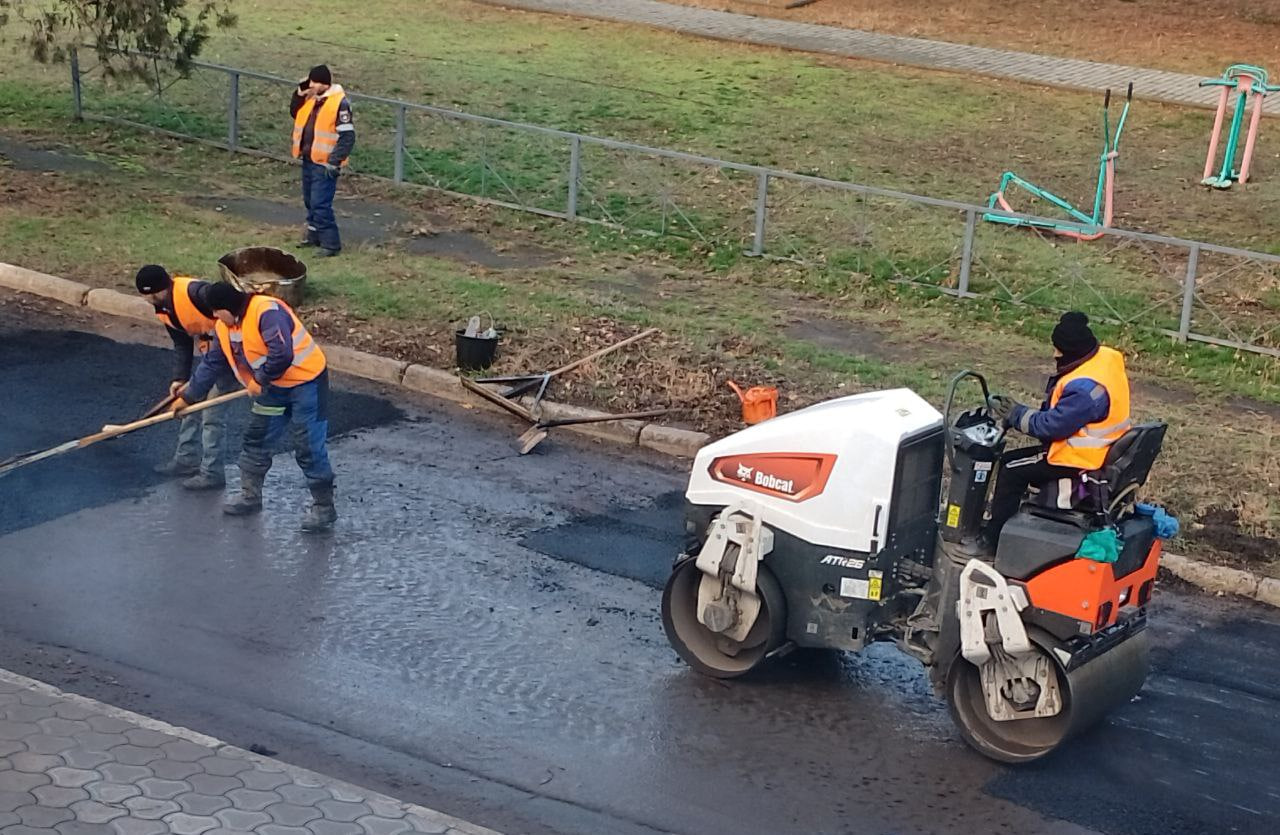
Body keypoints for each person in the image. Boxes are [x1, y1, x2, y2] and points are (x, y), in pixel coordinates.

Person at [174, 283, 337, 532]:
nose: (215, 317)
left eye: (217, 311)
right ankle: (250, 496)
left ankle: (323, 507)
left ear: (227, 306)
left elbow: (281, 353)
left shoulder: (266, 312)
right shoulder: (224, 328)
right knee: (257, 438)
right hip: (273, 391)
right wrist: (188, 396)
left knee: (307, 445)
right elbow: (212, 363)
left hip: (306, 385)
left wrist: (259, 379)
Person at [982, 311, 1132, 549]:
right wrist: (1018, 415)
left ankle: (993, 540)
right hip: (1105, 449)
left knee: (1011, 467)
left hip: (1080, 459)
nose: (1054, 355)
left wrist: (1015, 414)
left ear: (1071, 352)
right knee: (1017, 461)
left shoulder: (1085, 390)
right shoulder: (1104, 359)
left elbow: (1051, 426)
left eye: (1058, 351)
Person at [135, 265, 236, 490]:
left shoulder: (197, 293)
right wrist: (179, 379)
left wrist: (195, 388)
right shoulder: (163, 307)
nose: (146, 300)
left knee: (212, 415)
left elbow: (231, 312)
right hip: (210, 355)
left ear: (154, 291)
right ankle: (186, 460)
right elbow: (181, 342)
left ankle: (212, 473)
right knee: (189, 405)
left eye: (146, 295)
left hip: (232, 355)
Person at [290, 64, 355, 257]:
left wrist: (334, 161)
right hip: (310, 159)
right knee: (310, 201)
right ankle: (314, 235)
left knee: (320, 203)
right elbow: (295, 112)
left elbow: (348, 137)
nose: (311, 85)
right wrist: (299, 93)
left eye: (315, 82)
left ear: (324, 84)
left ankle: (331, 243)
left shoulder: (339, 103)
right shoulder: (311, 100)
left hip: (325, 163)